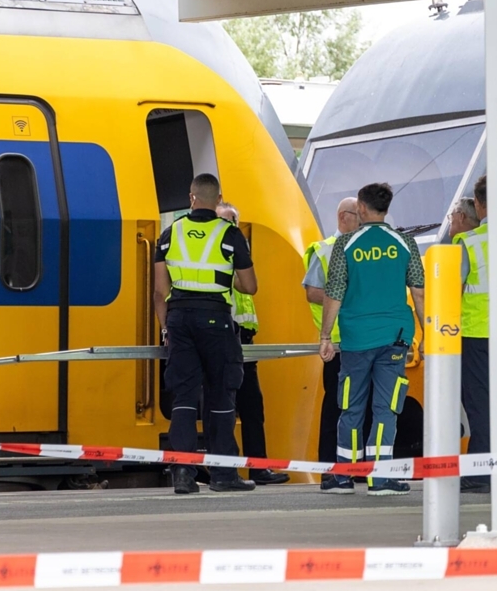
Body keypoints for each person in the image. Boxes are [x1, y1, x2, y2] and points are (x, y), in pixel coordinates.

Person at [318, 183, 425, 496]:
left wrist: (325, 335)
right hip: (395, 338)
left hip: (356, 340)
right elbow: (418, 290)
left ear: (361, 209)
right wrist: (428, 334)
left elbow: (334, 291)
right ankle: (380, 478)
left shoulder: (347, 245)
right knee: (386, 408)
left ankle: (344, 478)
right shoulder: (404, 243)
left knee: (350, 406)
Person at [154, 174, 257, 495]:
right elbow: (250, 286)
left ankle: (183, 474)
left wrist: (166, 327)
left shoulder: (170, 234)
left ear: (191, 196)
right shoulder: (230, 234)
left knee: (184, 397)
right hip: (215, 320)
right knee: (221, 393)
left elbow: (160, 290)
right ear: (218, 199)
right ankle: (223, 473)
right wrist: (226, 279)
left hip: (180, 319)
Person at [216, 202, 290, 486]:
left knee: (252, 408)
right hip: (224, 336)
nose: (230, 226)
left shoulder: (239, 251)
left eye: (233, 221)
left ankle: (258, 467)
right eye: (224, 220)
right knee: (224, 406)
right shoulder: (218, 254)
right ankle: (227, 470)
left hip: (244, 339)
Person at [302, 198, 361, 469]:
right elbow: (312, 292)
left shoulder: (362, 248)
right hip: (336, 345)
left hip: (361, 340)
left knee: (360, 405)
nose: (364, 222)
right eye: (360, 216)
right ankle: (329, 466)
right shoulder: (324, 250)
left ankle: (355, 466)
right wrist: (345, 296)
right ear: (343, 217)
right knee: (336, 406)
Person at [453, 175, 490, 494]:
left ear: (478, 205)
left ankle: (481, 472)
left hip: (477, 334)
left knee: (479, 405)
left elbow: (453, 290)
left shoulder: (469, 242)